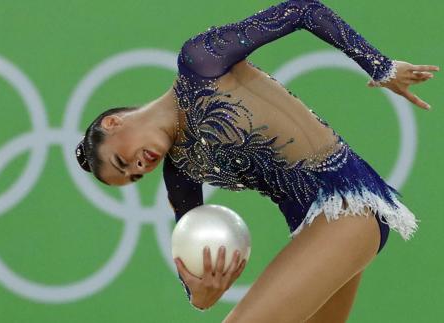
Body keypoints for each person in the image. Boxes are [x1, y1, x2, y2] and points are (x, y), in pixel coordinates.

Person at [74, 0, 438, 321]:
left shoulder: (200, 62)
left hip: (347, 206)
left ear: (114, 122)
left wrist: (379, 65)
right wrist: (201, 295)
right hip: (317, 230)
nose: (139, 168)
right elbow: (192, 255)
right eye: (134, 176)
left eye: (123, 161)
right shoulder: (181, 170)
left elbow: (303, 9)